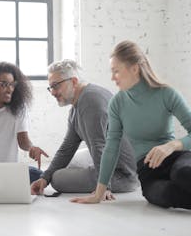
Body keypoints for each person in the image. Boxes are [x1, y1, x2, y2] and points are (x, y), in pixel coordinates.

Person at [71, 40, 191, 214]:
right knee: (168, 194)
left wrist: (171, 146)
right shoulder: (117, 103)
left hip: (177, 158)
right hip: (147, 173)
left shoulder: (166, 94)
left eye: (116, 71)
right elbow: (111, 148)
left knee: (182, 175)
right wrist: (99, 192)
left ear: (135, 68)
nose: (112, 77)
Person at [31, 59, 138, 196]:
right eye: (50, 87)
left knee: (57, 179)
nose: (52, 92)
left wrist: (104, 188)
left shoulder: (91, 102)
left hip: (123, 175)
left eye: (55, 85)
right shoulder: (77, 106)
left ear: (74, 81)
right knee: (63, 166)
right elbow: (66, 149)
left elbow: (99, 146)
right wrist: (44, 179)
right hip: (111, 158)